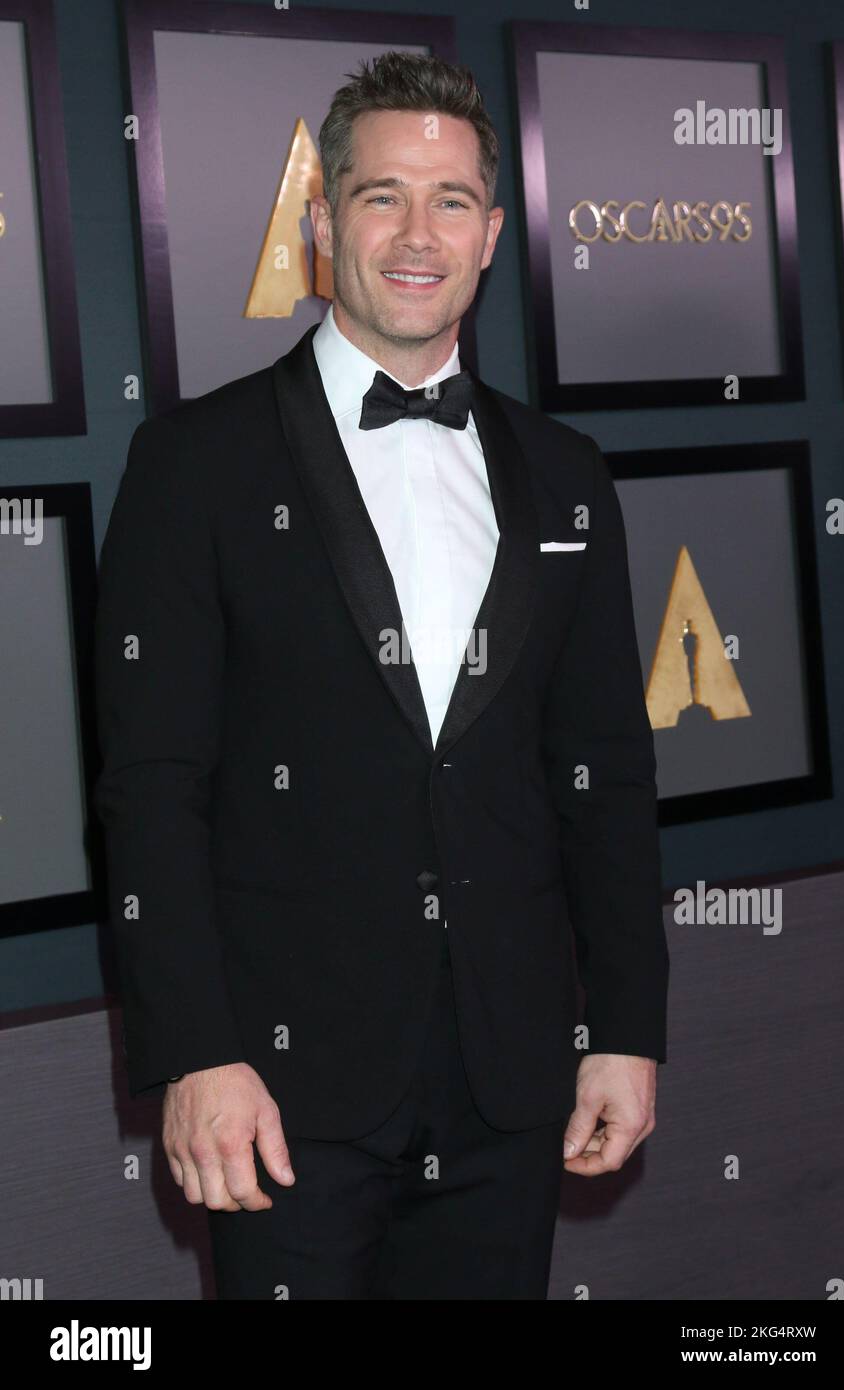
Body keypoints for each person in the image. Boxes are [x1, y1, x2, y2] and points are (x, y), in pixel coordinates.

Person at [93, 50, 669, 1300]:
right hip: (282, 1094)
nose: (418, 234)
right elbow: (151, 786)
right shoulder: (195, 464)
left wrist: (622, 1026)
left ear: (492, 232)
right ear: (320, 223)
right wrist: (195, 1054)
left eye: (451, 200)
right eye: (380, 197)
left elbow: (607, 775)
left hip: (509, 1083)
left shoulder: (565, 472)